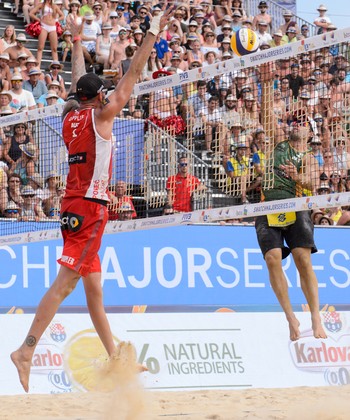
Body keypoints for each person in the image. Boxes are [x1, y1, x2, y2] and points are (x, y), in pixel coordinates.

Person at [11, 7, 172, 393]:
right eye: (102, 92)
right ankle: (26, 350)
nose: (106, 95)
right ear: (96, 97)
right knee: (65, 285)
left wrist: (78, 40)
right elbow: (132, 76)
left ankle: (116, 356)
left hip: (74, 204)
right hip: (89, 207)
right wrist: (151, 34)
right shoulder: (102, 117)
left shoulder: (70, 117)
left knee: (94, 291)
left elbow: (78, 81)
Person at [255, 125, 327, 341]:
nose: (298, 123)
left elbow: (313, 183)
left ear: (310, 135)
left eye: (304, 123)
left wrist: (297, 177)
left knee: (302, 259)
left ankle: (315, 316)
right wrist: (268, 90)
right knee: (272, 258)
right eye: (296, 120)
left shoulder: (309, 158)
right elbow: (267, 107)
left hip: (296, 206)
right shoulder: (279, 143)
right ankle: (290, 318)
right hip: (268, 207)